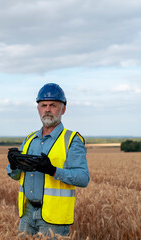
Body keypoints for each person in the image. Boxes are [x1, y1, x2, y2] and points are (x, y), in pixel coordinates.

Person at [6, 83, 89, 237]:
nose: (48, 110)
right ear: (38, 109)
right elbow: (16, 175)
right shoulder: (30, 139)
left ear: (63, 109)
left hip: (54, 219)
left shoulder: (72, 140)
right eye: (43, 105)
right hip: (27, 214)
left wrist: (53, 170)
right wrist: (13, 165)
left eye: (53, 105)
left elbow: (83, 178)